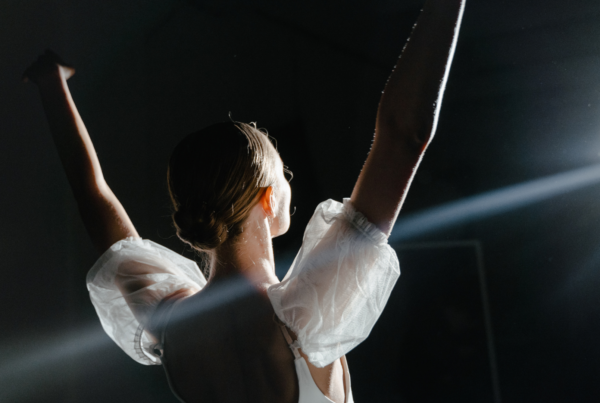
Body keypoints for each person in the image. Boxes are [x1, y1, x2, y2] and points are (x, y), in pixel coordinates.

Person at [23, 1, 465, 402]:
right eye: (283, 173)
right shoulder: (307, 314)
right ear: (268, 197)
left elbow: (94, 198)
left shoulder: (169, 321)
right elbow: (403, 138)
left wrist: (50, 87)